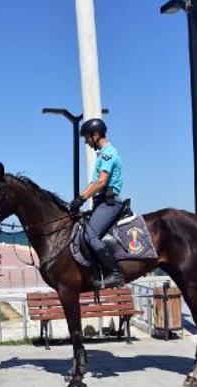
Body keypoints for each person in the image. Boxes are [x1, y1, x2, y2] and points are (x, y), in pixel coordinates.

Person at [68, 118, 125, 289]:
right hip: (100, 202)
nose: (86, 141)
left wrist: (83, 199)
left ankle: (115, 274)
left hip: (110, 203)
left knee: (90, 236)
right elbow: (94, 184)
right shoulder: (102, 154)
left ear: (96, 134)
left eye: (87, 137)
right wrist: (78, 199)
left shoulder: (108, 153)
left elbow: (101, 182)